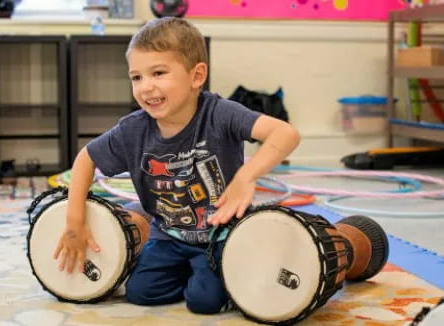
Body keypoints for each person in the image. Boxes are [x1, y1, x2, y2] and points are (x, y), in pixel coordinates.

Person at [53, 17, 300, 314]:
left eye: (158, 73)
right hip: (168, 234)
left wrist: (246, 177)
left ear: (196, 76)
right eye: (137, 77)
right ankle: (194, 271)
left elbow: (286, 134)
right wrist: (74, 220)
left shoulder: (220, 114)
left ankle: (218, 271)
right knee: (140, 293)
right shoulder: (133, 130)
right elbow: (86, 158)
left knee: (204, 302)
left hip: (221, 235)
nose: (146, 87)